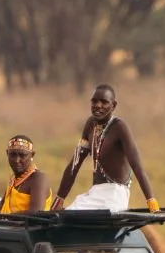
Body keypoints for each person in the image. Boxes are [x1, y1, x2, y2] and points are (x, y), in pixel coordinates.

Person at [51, 84, 159, 213]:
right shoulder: (90, 125)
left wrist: (151, 202)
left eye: (104, 102)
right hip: (95, 193)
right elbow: (74, 166)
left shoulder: (120, 127)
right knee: (67, 215)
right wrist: (59, 199)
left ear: (113, 105)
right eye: (94, 101)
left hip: (114, 195)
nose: (98, 105)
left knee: (74, 216)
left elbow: (137, 167)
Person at [0, 135, 52, 214]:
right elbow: (2, 203)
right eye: (13, 155)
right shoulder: (14, 179)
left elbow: (35, 213)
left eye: (22, 155)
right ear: (7, 154)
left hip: (27, 226)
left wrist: (6, 217)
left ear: (32, 155)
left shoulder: (39, 179)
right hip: (8, 224)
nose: (17, 160)